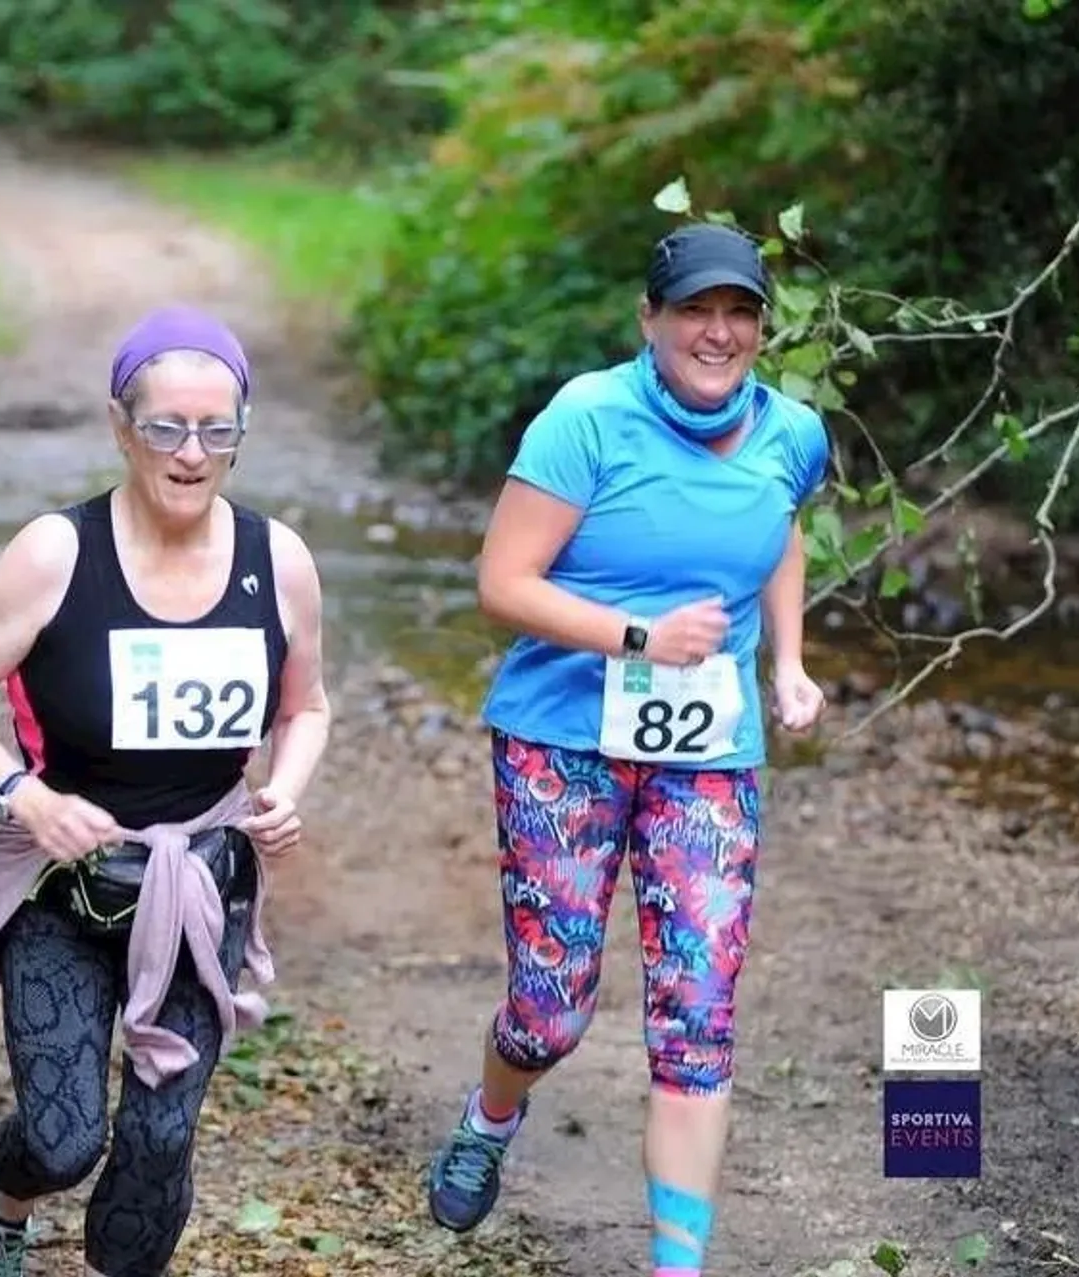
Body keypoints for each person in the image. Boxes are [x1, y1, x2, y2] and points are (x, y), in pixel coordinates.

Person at [422, 222, 830, 1276]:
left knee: (698, 1012)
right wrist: (636, 635)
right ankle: (493, 1109)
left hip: (709, 753)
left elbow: (779, 531)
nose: (719, 330)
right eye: (695, 309)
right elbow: (501, 583)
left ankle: (676, 1265)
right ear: (649, 320)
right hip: (563, 738)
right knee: (551, 1007)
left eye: (740, 312)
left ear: (761, 329)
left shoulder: (793, 432)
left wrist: (786, 661)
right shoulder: (586, 420)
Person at [0, 305, 333, 1277]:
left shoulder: (279, 562)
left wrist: (284, 787)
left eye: (216, 429)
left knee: (157, 1143)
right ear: (120, 425)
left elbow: (306, 706)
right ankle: (3, 1198)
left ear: (240, 432)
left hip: (201, 884)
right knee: (65, 1140)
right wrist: (24, 794)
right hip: (67, 890)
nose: (191, 453)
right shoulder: (55, 554)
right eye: (166, 427)